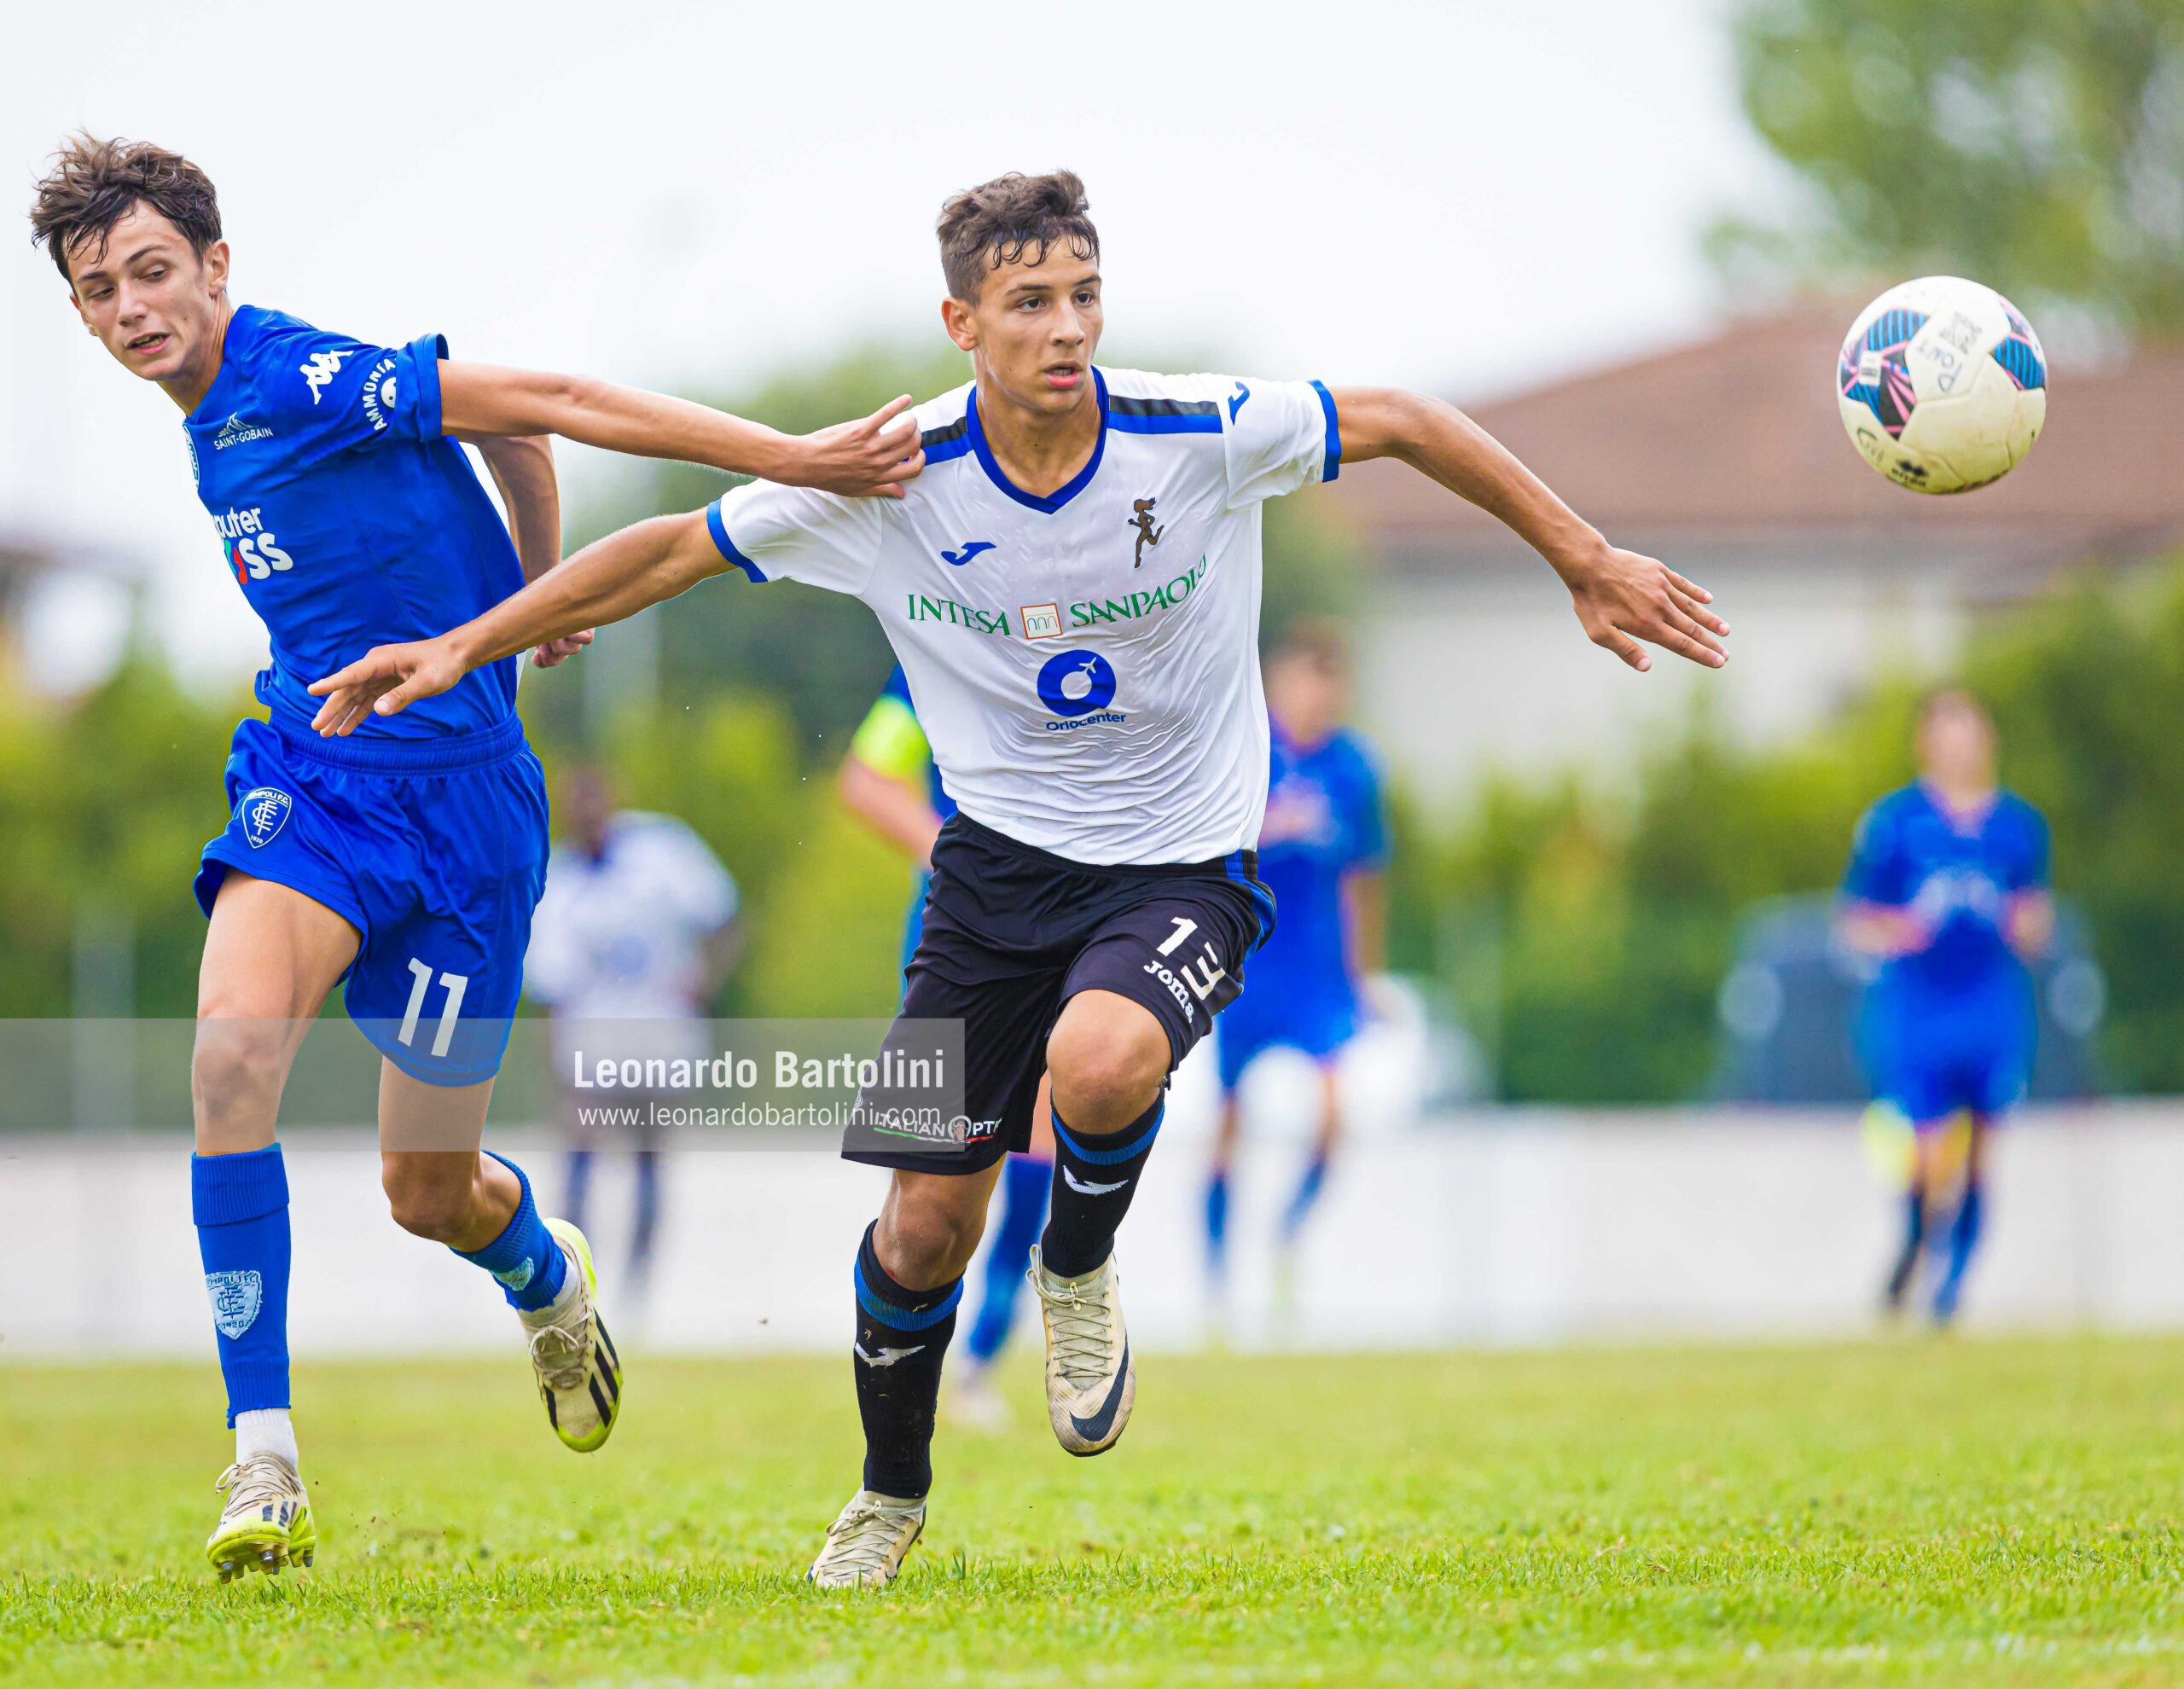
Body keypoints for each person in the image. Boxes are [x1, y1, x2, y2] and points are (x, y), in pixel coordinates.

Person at [306, 168, 1731, 1588]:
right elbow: (673, 548)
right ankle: (887, 1494)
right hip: (989, 882)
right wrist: (461, 649)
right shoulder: (888, 478)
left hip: (1183, 866)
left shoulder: (1194, 434)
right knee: (924, 1224)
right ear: (961, 323)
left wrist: (1584, 557)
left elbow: (1410, 422)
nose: (1067, 329)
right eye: (1031, 303)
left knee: (1099, 1062)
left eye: (1085, 296)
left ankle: (1079, 1266)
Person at [27, 134, 917, 1581]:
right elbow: (503, 445)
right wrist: (532, 582)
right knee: (229, 1060)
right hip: (313, 782)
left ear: (215, 268)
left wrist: (788, 458)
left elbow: (544, 401)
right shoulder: (201, 418)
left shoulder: (294, 377)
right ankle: (264, 1458)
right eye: (98, 290)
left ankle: (547, 1280)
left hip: (467, 821)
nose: (132, 308)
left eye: (151, 272)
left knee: (426, 1191)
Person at [839, 665, 1054, 1431]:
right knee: (927, 1180)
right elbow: (867, 779)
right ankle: (904, 1362)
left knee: (1037, 1148)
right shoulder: (938, 649)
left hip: (1065, 929)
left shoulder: (1094, 629)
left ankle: (981, 1361)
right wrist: (959, 858)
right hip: (953, 938)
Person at [1839, 688, 2053, 1326]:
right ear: (1926, 743)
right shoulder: (1894, 824)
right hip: (1920, 1006)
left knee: (1984, 1144)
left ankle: (1953, 1288)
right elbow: (1856, 920)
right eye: (1945, 734)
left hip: (1989, 1003)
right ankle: (1916, 1239)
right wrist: (1903, 928)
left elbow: (2035, 916)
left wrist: (2021, 924)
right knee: (1930, 1151)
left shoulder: (2019, 826)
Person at [1204, 623, 1387, 1313]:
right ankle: (1218, 1276)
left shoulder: (1355, 769)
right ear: (1282, 685)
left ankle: (1287, 1232)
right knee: (1229, 1120)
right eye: (1308, 682)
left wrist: (1364, 975)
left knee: (1337, 1114)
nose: (1319, 699)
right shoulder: (1249, 753)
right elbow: (1202, 844)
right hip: (1249, 963)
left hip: (1317, 969)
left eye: (1330, 686)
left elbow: (1363, 879)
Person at [525, 765, 740, 1310]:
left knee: (648, 1165)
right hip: (591, 1049)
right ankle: (571, 1286)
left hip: (658, 1040)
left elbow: (723, 916)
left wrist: (703, 985)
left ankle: (637, 1293)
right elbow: (552, 990)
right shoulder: (559, 884)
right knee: (578, 1165)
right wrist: (556, 1062)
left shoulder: (661, 851)